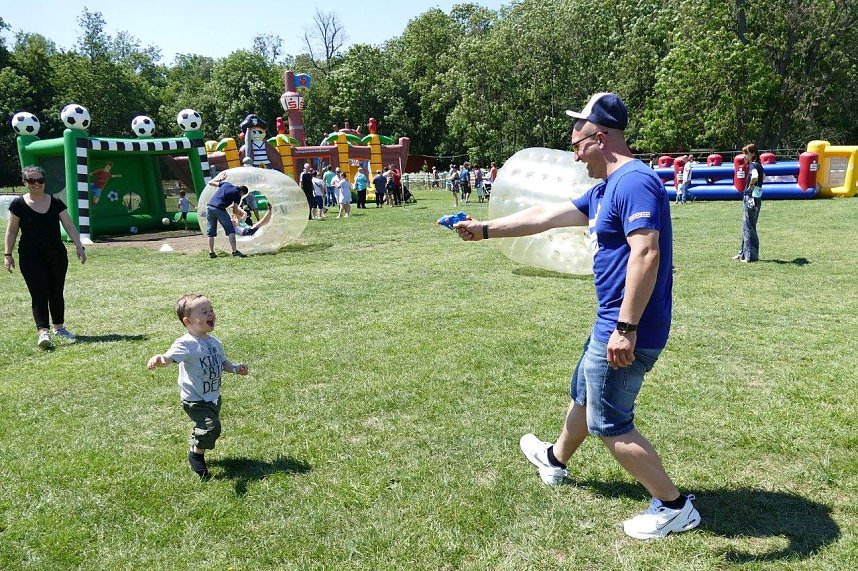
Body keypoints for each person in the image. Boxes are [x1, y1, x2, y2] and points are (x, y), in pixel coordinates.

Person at [453, 92, 700, 540]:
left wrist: (625, 328)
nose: (573, 153)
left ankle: (675, 506)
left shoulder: (634, 183)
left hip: (628, 325)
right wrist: (484, 230)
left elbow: (646, 254)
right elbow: (546, 216)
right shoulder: (606, 188)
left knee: (610, 421)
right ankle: (554, 460)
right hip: (611, 318)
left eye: (577, 143)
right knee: (585, 395)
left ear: (599, 138)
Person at [147, 294, 249, 479]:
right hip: (195, 399)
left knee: (209, 427)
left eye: (211, 309)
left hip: (213, 397)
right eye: (204, 311)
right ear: (188, 321)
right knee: (211, 427)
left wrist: (234, 369)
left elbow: (222, 362)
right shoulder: (186, 343)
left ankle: (198, 444)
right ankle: (196, 454)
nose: (211, 314)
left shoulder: (213, 341)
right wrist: (160, 359)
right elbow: (169, 358)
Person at [5, 166, 87, 349]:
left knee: (56, 292)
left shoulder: (56, 202)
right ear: (25, 183)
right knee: (39, 293)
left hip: (56, 255)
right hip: (30, 257)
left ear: (44, 181)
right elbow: (11, 232)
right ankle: (43, 332)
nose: (36, 184)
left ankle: (59, 328)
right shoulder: (18, 205)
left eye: (39, 180)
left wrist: (79, 246)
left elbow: (69, 225)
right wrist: (7, 254)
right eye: (31, 180)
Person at [205, 173, 248, 258]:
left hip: (210, 208)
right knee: (231, 230)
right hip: (219, 209)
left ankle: (212, 252)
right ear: (242, 192)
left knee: (211, 232)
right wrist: (237, 219)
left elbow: (210, 182)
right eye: (242, 195)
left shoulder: (226, 184)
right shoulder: (237, 194)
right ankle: (235, 251)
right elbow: (235, 209)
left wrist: (221, 179)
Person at [734, 144, 765, 262]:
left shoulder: (753, 165)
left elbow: (755, 177)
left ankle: (750, 256)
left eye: (746, 153)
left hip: (751, 197)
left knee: (749, 227)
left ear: (753, 154)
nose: (744, 156)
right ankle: (742, 253)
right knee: (747, 226)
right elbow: (763, 178)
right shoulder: (759, 165)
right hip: (757, 197)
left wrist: (750, 186)